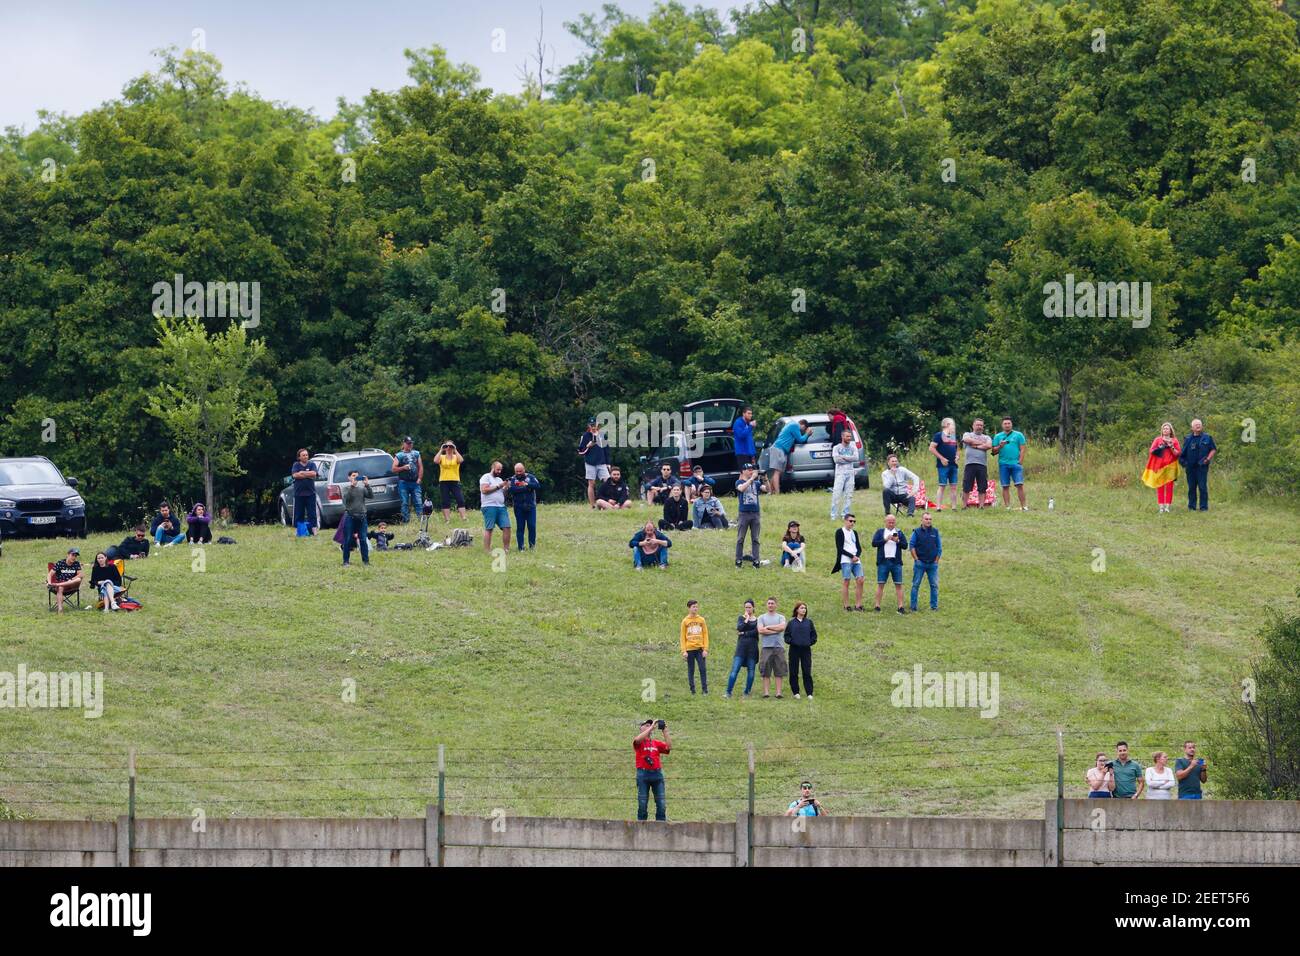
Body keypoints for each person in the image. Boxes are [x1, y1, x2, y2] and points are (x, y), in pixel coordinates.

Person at [633, 719, 671, 822]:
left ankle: (661, 823)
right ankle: (641, 824)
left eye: (650, 725)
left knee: (661, 803)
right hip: (643, 774)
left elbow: (668, 747)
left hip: (657, 774)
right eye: (646, 725)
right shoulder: (639, 742)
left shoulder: (655, 743)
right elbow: (637, 740)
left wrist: (665, 730)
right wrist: (651, 727)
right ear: (641, 728)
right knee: (642, 803)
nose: (649, 726)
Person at [871, 513, 907, 613]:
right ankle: (877, 606)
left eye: (893, 522)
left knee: (898, 585)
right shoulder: (880, 532)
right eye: (889, 522)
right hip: (883, 561)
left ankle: (900, 607)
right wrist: (885, 540)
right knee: (880, 584)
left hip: (896, 562)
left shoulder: (899, 532)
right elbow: (874, 543)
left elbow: (905, 546)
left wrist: (897, 541)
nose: (891, 524)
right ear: (885, 522)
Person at [1141, 423, 1181, 514]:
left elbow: (1177, 453)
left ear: (1171, 430)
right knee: (1160, 486)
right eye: (1164, 428)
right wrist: (1159, 448)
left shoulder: (1174, 440)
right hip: (1159, 467)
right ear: (1162, 430)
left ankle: (1167, 507)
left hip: (1170, 467)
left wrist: (1171, 446)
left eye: (1167, 429)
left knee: (1169, 487)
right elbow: (1151, 451)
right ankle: (1161, 507)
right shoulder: (1158, 440)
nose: (1166, 430)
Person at [990, 417, 1028, 510]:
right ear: (1002, 425)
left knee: (1019, 485)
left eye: (1009, 423)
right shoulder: (998, 436)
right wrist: (1000, 446)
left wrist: (1020, 461)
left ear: (1011, 424)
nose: (1007, 425)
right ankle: (1008, 507)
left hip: (1016, 464)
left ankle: (1024, 506)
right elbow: (993, 451)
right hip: (1003, 464)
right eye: (1005, 423)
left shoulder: (1018, 435)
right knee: (1005, 486)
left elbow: (1023, 448)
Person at [1179, 420, 1217, 512]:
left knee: (1202, 487)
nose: (1198, 426)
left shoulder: (1207, 437)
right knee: (1191, 487)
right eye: (1196, 425)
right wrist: (1184, 463)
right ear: (1192, 428)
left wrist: (1207, 459)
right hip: (1190, 468)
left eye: (1199, 424)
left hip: (1202, 467)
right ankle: (1191, 507)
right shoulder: (1188, 439)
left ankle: (1203, 507)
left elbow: (1213, 449)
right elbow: (1182, 453)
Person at [734, 464, 766, 568]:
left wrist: (765, 479)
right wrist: (752, 478)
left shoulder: (756, 483)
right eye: (749, 470)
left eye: (752, 470)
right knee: (740, 538)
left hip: (755, 513)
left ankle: (756, 560)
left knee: (755, 538)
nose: (751, 471)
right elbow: (742, 489)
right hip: (744, 514)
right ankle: (738, 560)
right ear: (743, 471)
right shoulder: (738, 482)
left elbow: (768, 489)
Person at [726, 600, 759, 699]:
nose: (748, 609)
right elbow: (739, 628)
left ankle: (746, 692)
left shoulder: (758, 620)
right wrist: (746, 619)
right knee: (734, 670)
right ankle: (728, 692)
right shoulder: (741, 618)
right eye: (746, 607)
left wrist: (744, 633)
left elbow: (756, 632)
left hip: (752, 649)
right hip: (741, 648)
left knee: (751, 671)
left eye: (749, 607)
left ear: (753, 607)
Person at [908, 512, 941, 612]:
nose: (928, 521)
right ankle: (913, 607)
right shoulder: (916, 532)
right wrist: (916, 559)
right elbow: (912, 546)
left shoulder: (935, 532)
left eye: (930, 519)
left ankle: (934, 606)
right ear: (922, 520)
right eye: (926, 519)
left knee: (934, 585)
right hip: (920, 563)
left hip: (932, 564)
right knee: (915, 585)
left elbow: (939, 548)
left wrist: (936, 561)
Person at [832, 514, 866, 612]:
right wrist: (851, 556)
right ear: (845, 521)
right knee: (846, 581)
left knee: (860, 580)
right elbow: (840, 548)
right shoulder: (840, 532)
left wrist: (857, 556)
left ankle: (858, 604)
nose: (852, 523)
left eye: (854, 521)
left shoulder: (854, 532)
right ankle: (846, 605)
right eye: (850, 521)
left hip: (856, 560)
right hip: (846, 559)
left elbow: (858, 547)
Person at [784, 602, 817, 700]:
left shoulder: (809, 622)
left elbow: (814, 636)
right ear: (797, 610)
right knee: (794, 671)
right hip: (794, 650)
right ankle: (796, 692)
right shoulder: (791, 623)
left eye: (805, 608)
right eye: (802, 608)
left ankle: (809, 693)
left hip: (806, 650)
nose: (804, 610)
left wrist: (808, 642)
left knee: (807, 671)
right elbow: (786, 636)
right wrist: (792, 642)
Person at [340, 469, 373, 567]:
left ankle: (366, 561)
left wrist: (367, 485)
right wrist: (352, 486)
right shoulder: (345, 488)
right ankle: (346, 561)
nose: (355, 478)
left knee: (363, 539)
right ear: (349, 477)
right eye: (353, 476)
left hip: (362, 517)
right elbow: (346, 499)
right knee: (348, 539)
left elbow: (371, 496)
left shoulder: (361, 488)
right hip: (350, 516)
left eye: (357, 476)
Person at [757, 596, 787, 699]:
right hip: (766, 647)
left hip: (778, 647)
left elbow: (782, 627)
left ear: (776, 605)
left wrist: (768, 627)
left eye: (772, 603)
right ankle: (766, 692)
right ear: (766, 605)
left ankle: (778, 692)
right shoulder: (761, 617)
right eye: (769, 603)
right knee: (765, 670)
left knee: (779, 670)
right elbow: (761, 630)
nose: (770, 605)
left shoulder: (781, 617)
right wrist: (776, 630)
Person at [769, 419, 810, 494]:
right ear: (803, 425)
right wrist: (807, 434)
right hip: (778, 448)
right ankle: (777, 493)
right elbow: (801, 439)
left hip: (781, 449)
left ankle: (771, 491)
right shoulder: (795, 426)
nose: (802, 431)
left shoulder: (791, 425)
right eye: (803, 429)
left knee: (778, 472)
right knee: (777, 472)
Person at [928, 418, 961, 512]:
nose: (954, 427)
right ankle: (938, 507)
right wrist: (942, 458)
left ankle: (954, 507)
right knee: (942, 486)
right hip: (943, 465)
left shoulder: (954, 436)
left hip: (953, 465)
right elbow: (931, 448)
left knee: (954, 486)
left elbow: (957, 449)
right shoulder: (938, 435)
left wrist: (957, 456)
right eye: (953, 424)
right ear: (947, 424)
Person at [578, 417, 610, 508]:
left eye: (594, 425)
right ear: (589, 426)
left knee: (607, 481)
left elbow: (606, 450)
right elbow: (580, 451)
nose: (593, 427)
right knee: (591, 483)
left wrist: (608, 463)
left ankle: (607, 502)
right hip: (590, 463)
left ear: (597, 425)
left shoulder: (603, 435)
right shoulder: (585, 436)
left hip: (602, 462)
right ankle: (593, 505)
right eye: (591, 425)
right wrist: (588, 446)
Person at [478, 461, 511, 553]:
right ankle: (487, 550)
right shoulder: (486, 477)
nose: (499, 471)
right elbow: (484, 490)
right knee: (489, 528)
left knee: (507, 527)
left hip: (501, 506)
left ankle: (506, 549)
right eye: (498, 469)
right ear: (493, 468)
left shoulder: (500, 479)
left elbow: (502, 494)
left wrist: (506, 488)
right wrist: (499, 486)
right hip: (489, 506)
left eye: (500, 470)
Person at [392, 436, 425, 524]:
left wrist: (419, 478)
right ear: (404, 444)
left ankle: (422, 521)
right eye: (408, 443)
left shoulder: (416, 453)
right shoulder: (399, 455)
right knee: (405, 503)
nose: (410, 445)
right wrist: (403, 467)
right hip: (403, 482)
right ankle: (406, 521)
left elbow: (420, 467)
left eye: (411, 443)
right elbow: (394, 469)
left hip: (415, 482)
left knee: (418, 502)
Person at [508, 462, 541, 550]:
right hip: (518, 507)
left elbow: (537, 486)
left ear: (524, 470)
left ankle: (532, 546)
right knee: (520, 527)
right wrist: (526, 489)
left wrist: (527, 485)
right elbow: (512, 490)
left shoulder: (531, 477)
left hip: (531, 507)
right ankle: (521, 547)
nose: (518, 473)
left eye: (520, 471)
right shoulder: (513, 479)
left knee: (532, 526)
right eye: (516, 471)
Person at [960, 420, 992, 509]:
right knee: (966, 485)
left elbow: (989, 446)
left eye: (981, 425)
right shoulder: (967, 434)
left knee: (982, 486)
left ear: (983, 427)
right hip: (969, 463)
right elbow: (966, 440)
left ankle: (981, 506)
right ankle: (964, 506)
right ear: (973, 426)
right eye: (977, 425)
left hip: (982, 464)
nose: (979, 427)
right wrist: (982, 444)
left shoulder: (986, 437)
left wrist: (976, 445)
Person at [680, 600, 709, 695]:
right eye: (693, 607)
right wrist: (684, 651)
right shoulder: (685, 621)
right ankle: (692, 690)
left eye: (696, 606)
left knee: (702, 669)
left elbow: (705, 634)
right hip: (689, 650)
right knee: (691, 670)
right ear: (689, 608)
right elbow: (682, 637)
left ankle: (705, 690)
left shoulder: (701, 620)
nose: (695, 608)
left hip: (700, 649)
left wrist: (705, 649)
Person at [434, 441, 467, 522]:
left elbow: (461, 460)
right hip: (444, 481)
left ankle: (464, 518)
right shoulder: (442, 457)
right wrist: (441, 449)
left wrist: (455, 449)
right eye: (447, 446)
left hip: (455, 480)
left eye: (450, 446)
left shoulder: (456, 457)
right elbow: (435, 461)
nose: (448, 448)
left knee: (460, 499)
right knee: (445, 500)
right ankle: (447, 519)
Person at [829, 428, 857, 520]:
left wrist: (843, 457)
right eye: (847, 436)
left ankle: (845, 514)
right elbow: (836, 460)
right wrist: (849, 458)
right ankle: (833, 515)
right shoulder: (836, 448)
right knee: (837, 494)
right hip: (840, 474)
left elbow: (856, 458)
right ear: (842, 437)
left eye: (850, 436)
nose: (849, 438)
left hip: (850, 473)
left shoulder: (853, 447)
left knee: (849, 495)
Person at [290, 449, 320, 533]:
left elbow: (314, 474)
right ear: (299, 457)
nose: (305, 456)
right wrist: (308, 474)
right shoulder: (296, 465)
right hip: (299, 494)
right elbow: (295, 475)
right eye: (303, 455)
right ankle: (298, 531)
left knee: (312, 513)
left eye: (306, 455)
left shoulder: (312, 464)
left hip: (310, 493)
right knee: (299, 513)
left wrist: (302, 473)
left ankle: (314, 530)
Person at [46, 547, 82, 613]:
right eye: (72, 555)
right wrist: (49, 582)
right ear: (68, 555)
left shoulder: (76, 564)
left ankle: (57, 584)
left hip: (72, 585)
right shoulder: (60, 563)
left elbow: (80, 575)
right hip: (61, 585)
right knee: (60, 588)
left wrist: (71, 579)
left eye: (75, 556)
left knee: (79, 579)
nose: (74, 557)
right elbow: (50, 574)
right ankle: (60, 609)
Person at [732, 406, 757, 471]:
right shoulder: (738, 423)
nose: (750, 415)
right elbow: (741, 435)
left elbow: (750, 440)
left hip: (750, 453)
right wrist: (750, 426)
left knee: (752, 473)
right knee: (744, 473)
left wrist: (753, 453)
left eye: (751, 414)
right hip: (742, 453)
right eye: (748, 413)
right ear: (743, 414)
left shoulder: (748, 424)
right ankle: (740, 481)